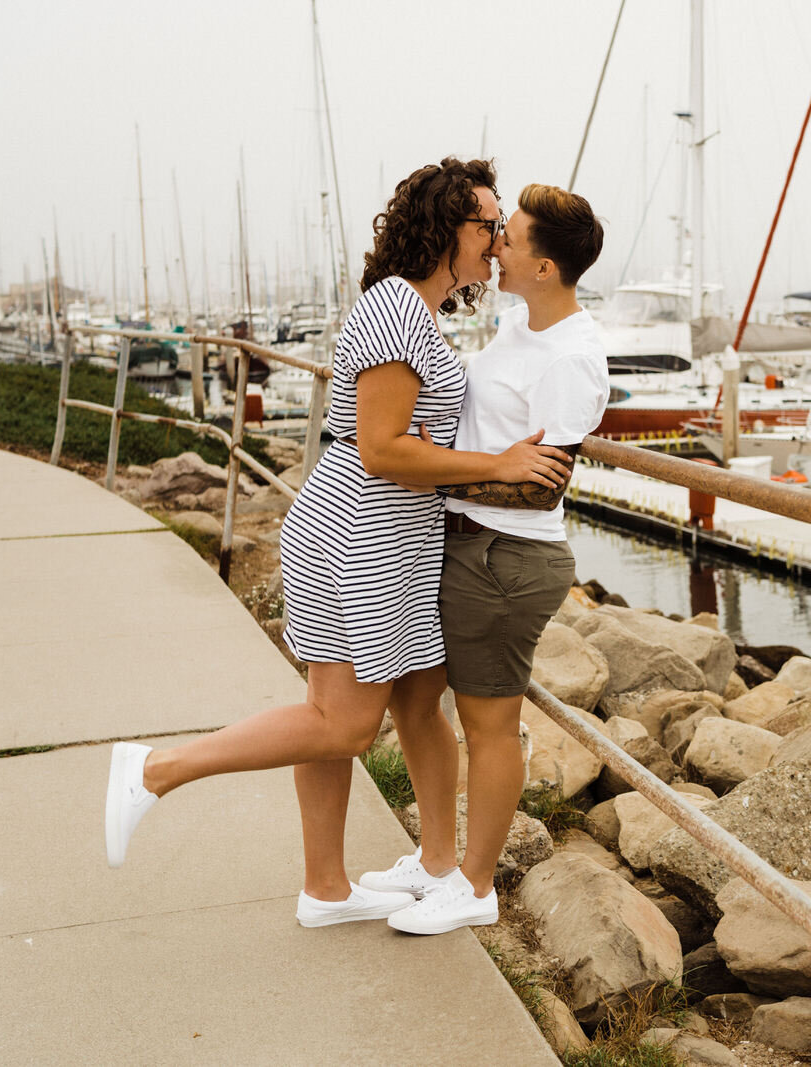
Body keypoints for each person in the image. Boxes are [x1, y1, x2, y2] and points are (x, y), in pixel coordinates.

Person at [103, 159, 576, 929]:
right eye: (487, 224)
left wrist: (452, 446)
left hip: (399, 535)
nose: (496, 242)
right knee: (345, 723)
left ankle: (335, 886)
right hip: (360, 535)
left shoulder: (419, 313)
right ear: (445, 228)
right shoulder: (395, 310)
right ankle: (155, 771)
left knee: (398, 703)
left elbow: (402, 433)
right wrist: (498, 462)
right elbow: (383, 450)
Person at [355, 184, 610, 935]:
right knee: (414, 698)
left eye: (514, 237)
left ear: (545, 268)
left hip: (506, 556)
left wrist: (430, 466)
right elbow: (500, 454)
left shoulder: (573, 358)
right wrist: (467, 467)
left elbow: (538, 486)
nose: (498, 244)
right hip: (460, 540)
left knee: (490, 725)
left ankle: (474, 885)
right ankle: (437, 861)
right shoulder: (516, 322)